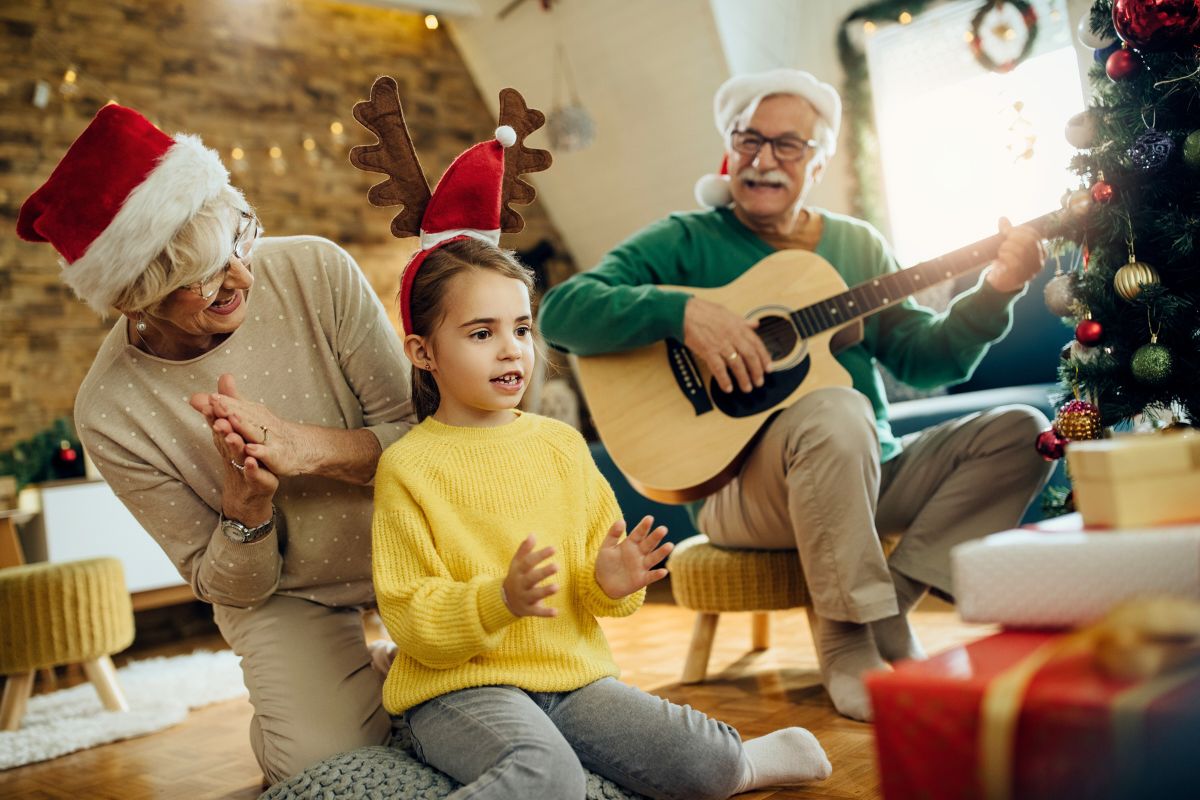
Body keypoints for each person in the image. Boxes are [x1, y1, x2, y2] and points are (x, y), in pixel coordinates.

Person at [537, 68, 1057, 722]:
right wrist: (682, 313)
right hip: (744, 494)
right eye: (748, 138)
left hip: (867, 471)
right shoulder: (686, 240)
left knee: (1024, 430)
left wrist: (998, 289)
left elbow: (927, 362)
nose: (762, 159)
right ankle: (845, 642)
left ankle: (890, 605)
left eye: (788, 145)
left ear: (820, 160)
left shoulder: (855, 244)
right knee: (838, 411)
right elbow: (561, 310)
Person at [369, 119, 833, 798]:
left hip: (571, 676)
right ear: (423, 353)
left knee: (704, 762)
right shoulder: (409, 467)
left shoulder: (560, 445)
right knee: (548, 777)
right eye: (480, 333)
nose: (511, 351)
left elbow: (596, 590)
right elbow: (411, 617)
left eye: (521, 329)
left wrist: (612, 582)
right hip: (457, 688)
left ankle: (747, 763)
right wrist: (499, 599)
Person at [17, 104, 413, 782]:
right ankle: (356, 692)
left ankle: (384, 682)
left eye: (239, 240)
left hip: (416, 545)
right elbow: (225, 586)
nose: (241, 277)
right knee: (322, 767)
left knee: (516, 693)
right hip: (289, 596)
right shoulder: (109, 411)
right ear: (133, 299)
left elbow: (425, 444)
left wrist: (303, 447)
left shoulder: (318, 271)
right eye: (201, 278)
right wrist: (246, 509)